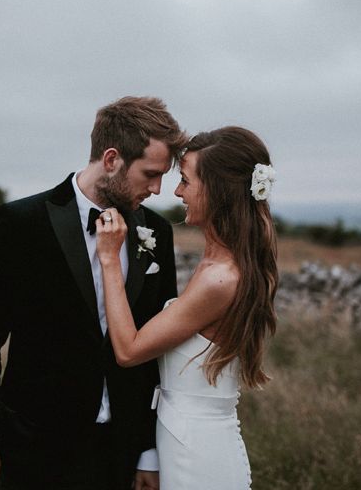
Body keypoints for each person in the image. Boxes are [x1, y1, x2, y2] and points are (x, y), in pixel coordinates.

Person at [0, 96, 187, 490]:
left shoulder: (156, 234)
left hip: (122, 454)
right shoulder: (23, 224)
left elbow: (155, 352)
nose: (157, 188)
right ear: (111, 160)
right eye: (150, 174)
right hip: (34, 451)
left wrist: (147, 449)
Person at [95, 126, 278, 490]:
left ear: (217, 189)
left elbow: (130, 351)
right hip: (184, 439)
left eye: (185, 180)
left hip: (198, 452)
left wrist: (110, 259)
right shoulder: (220, 264)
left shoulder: (219, 279)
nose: (177, 191)